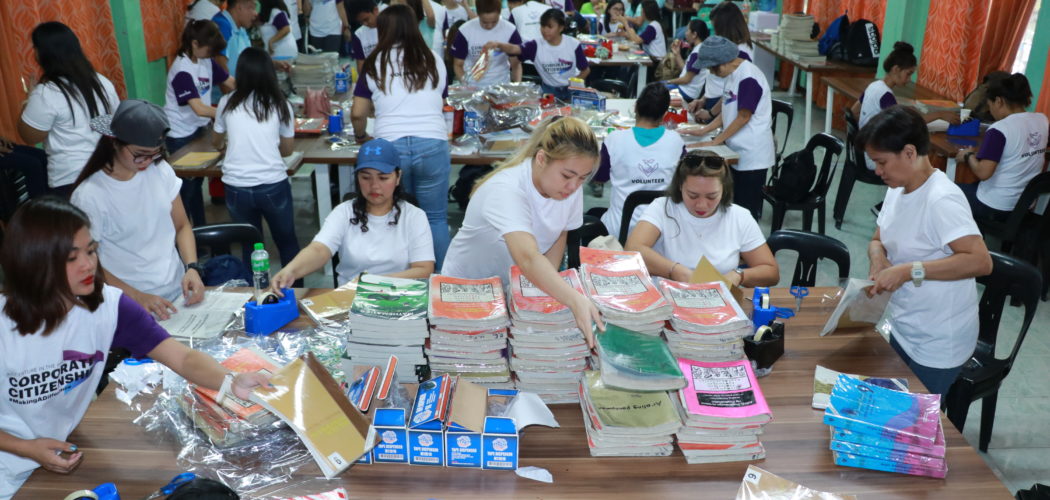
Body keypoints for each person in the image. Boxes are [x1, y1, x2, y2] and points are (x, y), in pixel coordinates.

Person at [0, 196, 271, 497]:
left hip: (60, 452)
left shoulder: (109, 307)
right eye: (72, 258)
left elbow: (181, 357)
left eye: (91, 251)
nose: (89, 264)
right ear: (35, 262)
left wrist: (231, 381)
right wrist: (25, 448)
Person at [859, 105, 993, 396]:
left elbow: (981, 262)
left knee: (915, 421)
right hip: (905, 326)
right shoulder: (898, 187)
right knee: (894, 407)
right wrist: (878, 258)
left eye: (881, 162)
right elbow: (877, 239)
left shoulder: (941, 199)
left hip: (939, 340)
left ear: (909, 153)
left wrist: (909, 271)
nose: (877, 171)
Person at [442, 116, 605, 345]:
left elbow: (558, 234)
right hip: (467, 293)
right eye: (567, 176)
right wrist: (574, 300)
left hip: (512, 294)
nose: (573, 186)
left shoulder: (569, 188)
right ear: (541, 159)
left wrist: (542, 297)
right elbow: (528, 257)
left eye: (582, 178)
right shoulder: (505, 189)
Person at [71, 100, 204, 320]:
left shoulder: (160, 170)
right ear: (114, 142)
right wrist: (137, 296)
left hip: (177, 293)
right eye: (140, 154)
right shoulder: (90, 195)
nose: (147, 162)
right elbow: (88, 264)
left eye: (155, 153)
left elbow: (182, 225)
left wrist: (192, 268)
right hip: (129, 302)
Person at [351, 4, 452, 268]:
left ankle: (399, 279)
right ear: (414, 26)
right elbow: (439, 102)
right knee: (436, 218)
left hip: (390, 150)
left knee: (391, 217)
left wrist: (361, 137)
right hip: (432, 142)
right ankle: (441, 280)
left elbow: (358, 113)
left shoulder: (375, 62)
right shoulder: (433, 59)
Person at [272, 139, 435, 288]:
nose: (374, 186)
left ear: (398, 177)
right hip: (349, 297)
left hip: (398, 295)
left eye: (383, 178)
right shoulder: (343, 212)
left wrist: (372, 283)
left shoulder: (414, 216)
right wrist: (291, 270)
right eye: (365, 177)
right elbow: (319, 250)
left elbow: (424, 269)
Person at [626, 150, 778, 287]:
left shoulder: (739, 217)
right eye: (693, 195)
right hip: (666, 299)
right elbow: (633, 249)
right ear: (680, 186)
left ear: (724, 189)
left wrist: (739, 275)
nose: (702, 205)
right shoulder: (662, 208)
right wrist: (673, 270)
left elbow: (771, 272)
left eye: (712, 196)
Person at [213, 48, 301, 269]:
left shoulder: (226, 102)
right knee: (287, 243)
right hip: (272, 184)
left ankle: (255, 297)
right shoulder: (281, 104)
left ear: (240, 72)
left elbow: (216, 141)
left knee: (250, 247)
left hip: (236, 186)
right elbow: (288, 150)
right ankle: (295, 294)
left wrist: (230, 145)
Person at [18, 22, 120, 197]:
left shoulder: (47, 93)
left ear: (43, 54)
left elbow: (29, 136)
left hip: (70, 179)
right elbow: (115, 125)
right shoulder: (101, 82)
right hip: (107, 170)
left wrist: (28, 102)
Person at [680, 36, 773, 219]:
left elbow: (743, 117)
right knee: (732, 205)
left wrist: (715, 141)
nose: (711, 73)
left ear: (720, 64)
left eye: (710, 69)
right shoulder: (733, 74)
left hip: (752, 154)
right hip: (736, 147)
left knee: (745, 211)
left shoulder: (748, 78)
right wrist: (703, 131)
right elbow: (728, 109)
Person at [164, 20, 235, 227]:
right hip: (180, 135)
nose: (211, 54)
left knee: (197, 184)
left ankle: (201, 230)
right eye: (209, 49)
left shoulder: (207, 61)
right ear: (194, 43)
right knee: (186, 190)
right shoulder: (182, 70)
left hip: (199, 129)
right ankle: (184, 237)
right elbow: (199, 108)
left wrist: (250, 91)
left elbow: (230, 82)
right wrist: (232, 113)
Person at [851, 42, 960, 171]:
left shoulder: (874, 86)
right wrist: (940, 114)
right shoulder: (885, 95)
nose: (909, 79)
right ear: (896, 69)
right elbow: (910, 123)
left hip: (863, 151)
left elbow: (853, 111)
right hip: (876, 157)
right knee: (918, 161)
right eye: (908, 73)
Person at [955, 74, 1048, 222]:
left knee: (947, 192)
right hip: (1024, 206)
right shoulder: (1042, 120)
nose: (990, 111)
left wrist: (967, 156)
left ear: (998, 101)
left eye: (990, 105)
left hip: (995, 207)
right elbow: (1020, 150)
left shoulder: (1000, 129)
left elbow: (983, 173)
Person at [595, 83, 684, 236]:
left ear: (635, 107)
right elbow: (682, 181)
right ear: (664, 114)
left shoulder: (614, 139)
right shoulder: (676, 141)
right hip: (660, 232)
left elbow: (599, 178)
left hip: (619, 230)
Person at [484, 9, 589, 101]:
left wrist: (574, 84)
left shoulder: (573, 44)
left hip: (572, 90)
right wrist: (499, 44)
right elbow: (515, 49)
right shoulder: (535, 45)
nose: (545, 30)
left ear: (561, 28)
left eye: (550, 26)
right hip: (549, 92)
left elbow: (585, 70)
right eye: (542, 26)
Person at [687, 1, 752, 123]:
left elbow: (733, 93)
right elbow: (715, 81)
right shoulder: (725, 47)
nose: (714, 34)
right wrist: (702, 100)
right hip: (713, 103)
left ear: (726, 27)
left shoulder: (740, 52)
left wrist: (711, 113)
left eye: (716, 29)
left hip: (722, 106)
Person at [451, 0, 523, 87]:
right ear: (478, 14)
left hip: (501, 85)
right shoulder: (465, 31)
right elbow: (458, 65)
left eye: (494, 22)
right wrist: (466, 86)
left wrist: (517, 86)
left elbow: (516, 65)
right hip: (473, 85)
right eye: (484, 22)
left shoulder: (510, 30)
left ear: (500, 14)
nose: (489, 26)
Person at [663, 19, 709, 104]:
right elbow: (686, 71)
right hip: (685, 89)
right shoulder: (699, 49)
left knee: (657, 89)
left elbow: (686, 79)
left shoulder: (697, 53)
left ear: (694, 34)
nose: (685, 33)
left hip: (686, 92)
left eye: (687, 30)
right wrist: (677, 54)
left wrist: (669, 81)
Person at [212, 0, 258, 78]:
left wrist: (272, 63)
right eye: (252, 8)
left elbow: (250, 58)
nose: (255, 13)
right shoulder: (222, 25)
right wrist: (235, 90)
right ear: (239, 7)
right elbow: (219, 63)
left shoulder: (241, 28)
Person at [349, 0, 382, 75]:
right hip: (372, 77)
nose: (365, 24)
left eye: (366, 19)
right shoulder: (359, 35)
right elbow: (361, 66)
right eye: (361, 22)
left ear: (375, 10)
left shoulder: (391, 25)